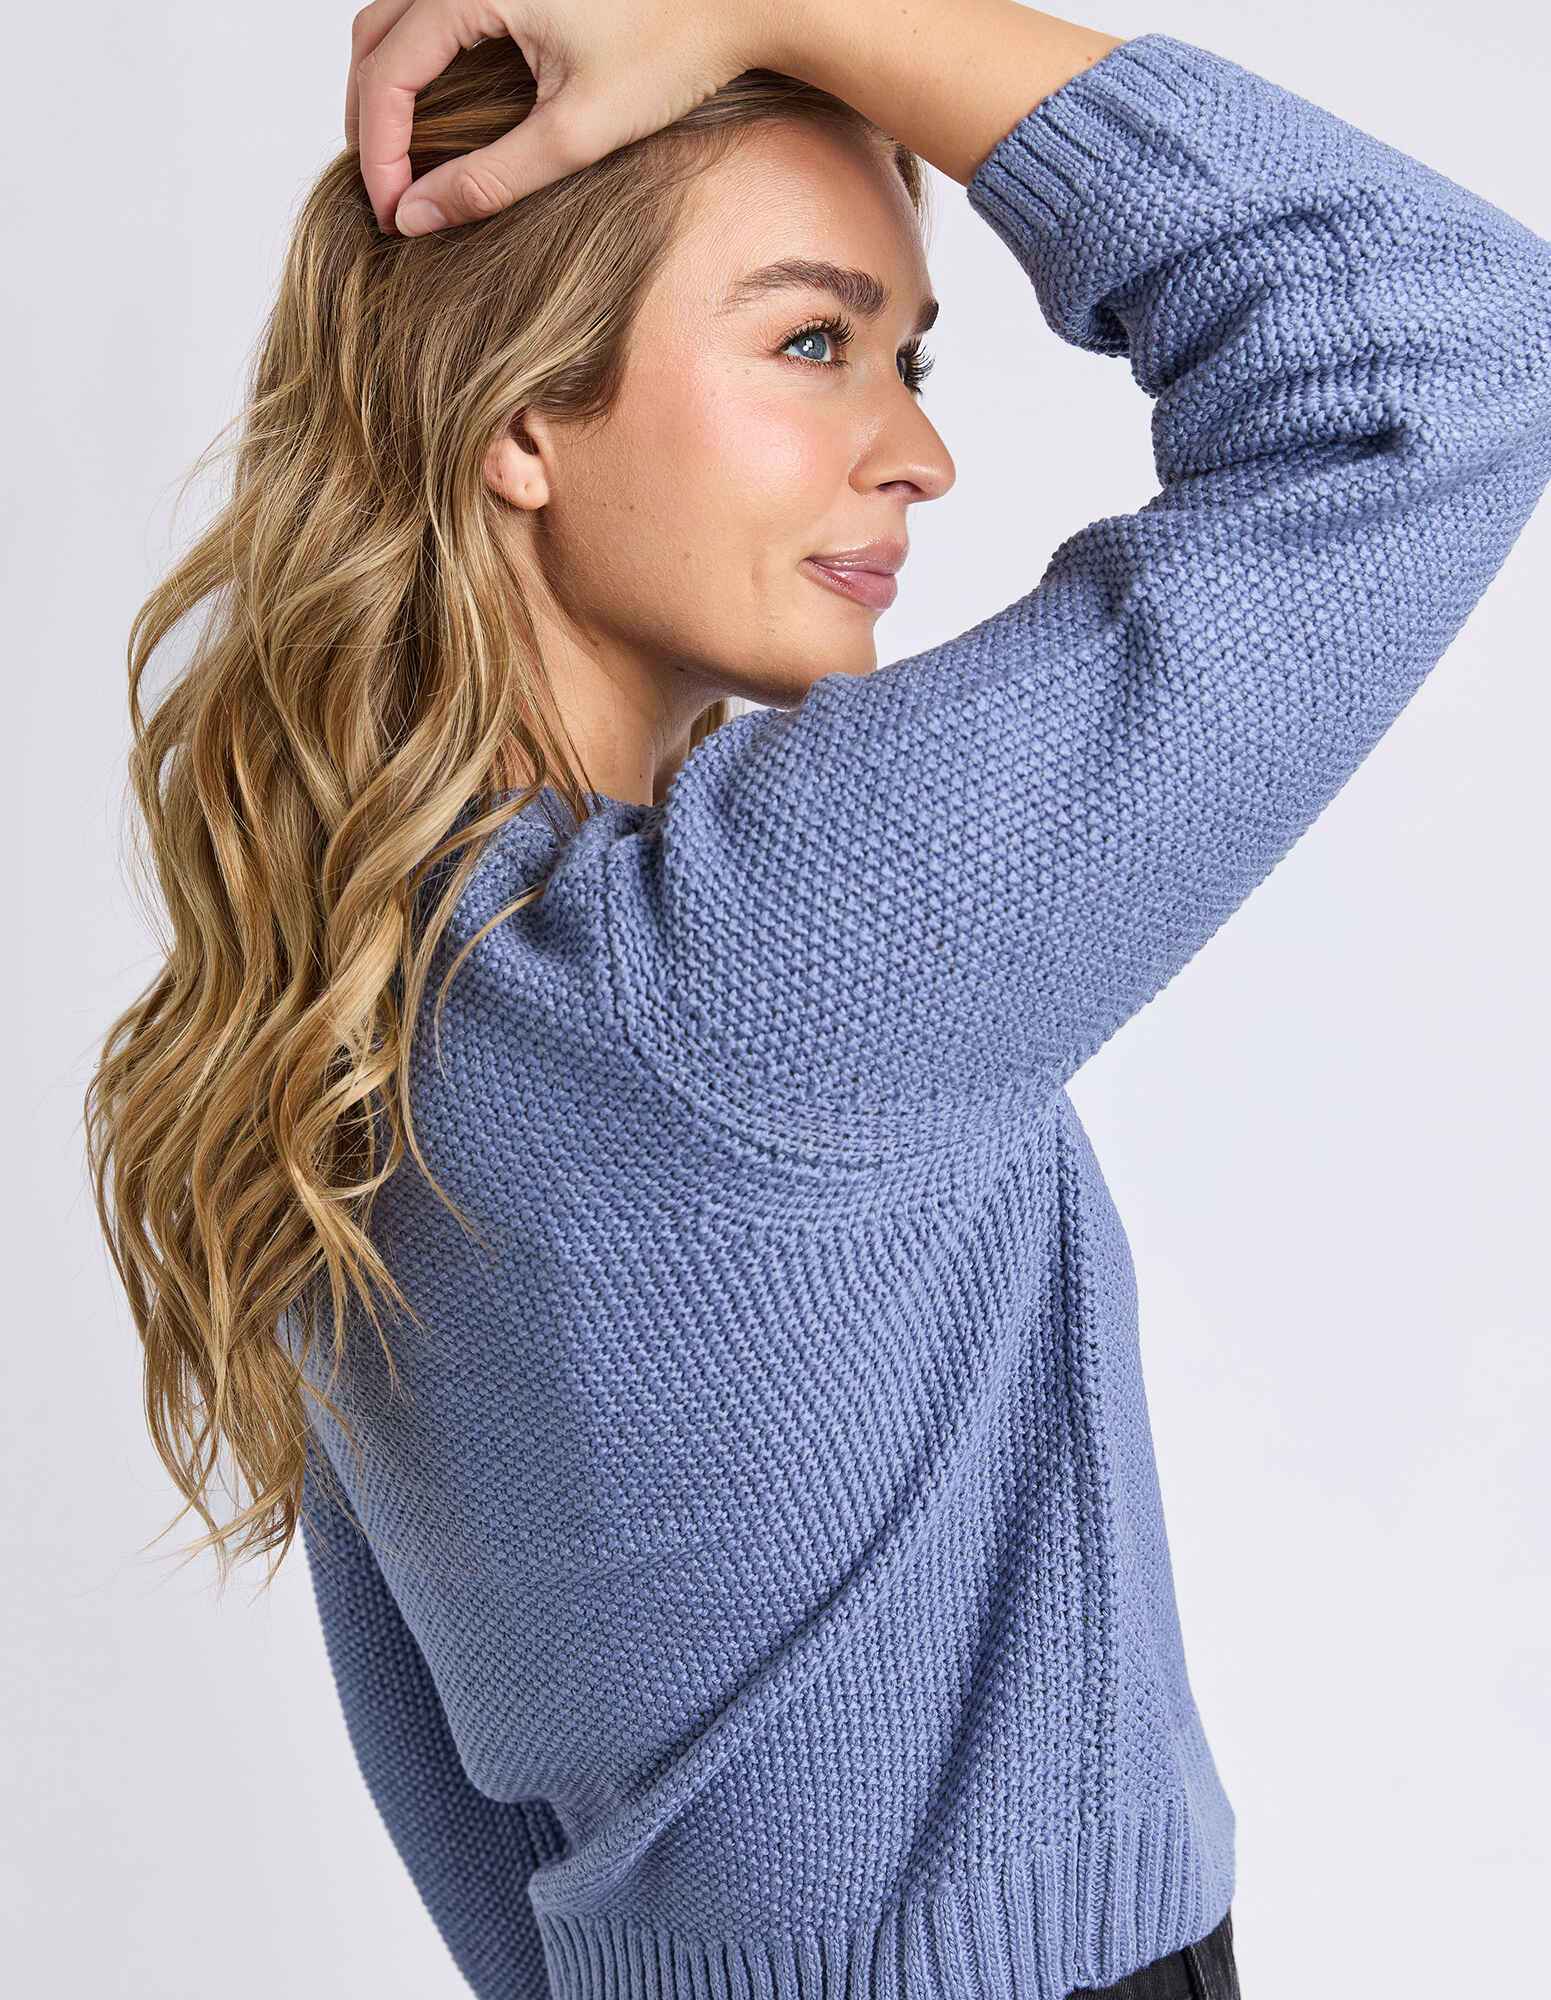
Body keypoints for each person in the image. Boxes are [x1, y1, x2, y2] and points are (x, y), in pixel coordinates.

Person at [83, 3, 1550, 1997]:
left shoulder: (342, 1008)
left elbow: (480, 1807)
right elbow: (1441, 355)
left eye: (904, 356)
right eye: (807, 342)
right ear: (518, 417)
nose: (918, 451)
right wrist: (786, 3)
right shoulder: (744, 950)